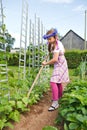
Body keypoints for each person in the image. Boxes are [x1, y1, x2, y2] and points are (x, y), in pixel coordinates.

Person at [42, 28, 70, 111]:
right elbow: (64, 50)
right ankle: (59, 97)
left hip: (60, 64)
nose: (49, 41)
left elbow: (55, 60)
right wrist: (50, 45)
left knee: (53, 81)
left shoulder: (57, 46)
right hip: (61, 63)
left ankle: (55, 102)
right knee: (58, 82)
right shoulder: (57, 42)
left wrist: (45, 63)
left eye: (50, 39)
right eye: (48, 39)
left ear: (55, 37)